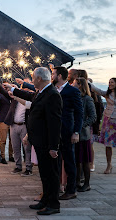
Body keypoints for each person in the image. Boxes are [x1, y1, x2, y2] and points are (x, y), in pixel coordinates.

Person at [0, 67, 63, 215]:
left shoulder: (52, 95)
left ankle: (53, 204)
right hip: (39, 141)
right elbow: (28, 96)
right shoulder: (42, 92)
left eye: (33, 78)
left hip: (47, 143)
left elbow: (55, 123)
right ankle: (45, 200)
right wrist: (13, 89)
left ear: (39, 79)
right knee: (44, 174)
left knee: (51, 174)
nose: (32, 81)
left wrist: (53, 147)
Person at [51, 66, 83, 200]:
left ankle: (71, 190)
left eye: (53, 74)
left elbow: (79, 113)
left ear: (59, 76)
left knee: (69, 161)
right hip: (54, 131)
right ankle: (56, 187)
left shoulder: (72, 91)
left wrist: (76, 131)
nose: (51, 76)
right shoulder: (52, 90)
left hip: (67, 130)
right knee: (55, 161)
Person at [0, 83, 32, 176]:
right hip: (13, 125)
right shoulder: (14, 98)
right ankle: (18, 166)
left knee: (26, 148)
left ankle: (28, 168)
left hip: (24, 126)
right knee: (15, 147)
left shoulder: (29, 100)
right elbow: (4, 93)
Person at [72, 78, 96, 192]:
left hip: (83, 135)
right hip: (74, 134)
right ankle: (76, 182)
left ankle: (87, 183)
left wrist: (81, 125)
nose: (72, 84)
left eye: (74, 83)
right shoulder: (75, 97)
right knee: (76, 160)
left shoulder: (88, 99)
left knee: (85, 161)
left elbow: (93, 117)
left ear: (80, 85)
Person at [89, 77, 116, 174]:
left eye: (112, 82)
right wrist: (87, 82)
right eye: (109, 82)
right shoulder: (107, 94)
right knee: (108, 144)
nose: (110, 84)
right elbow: (98, 91)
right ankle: (109, 165)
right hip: (108, 121)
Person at [0, 82, 11, 164]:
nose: (5, 88)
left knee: (12, 141)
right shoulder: (1, 96)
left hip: (12, 121)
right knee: (3, 140)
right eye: (4, 86)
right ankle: (2, 157)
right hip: (3, 120)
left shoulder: (13, 95)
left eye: (6, 86)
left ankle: (11, 156)